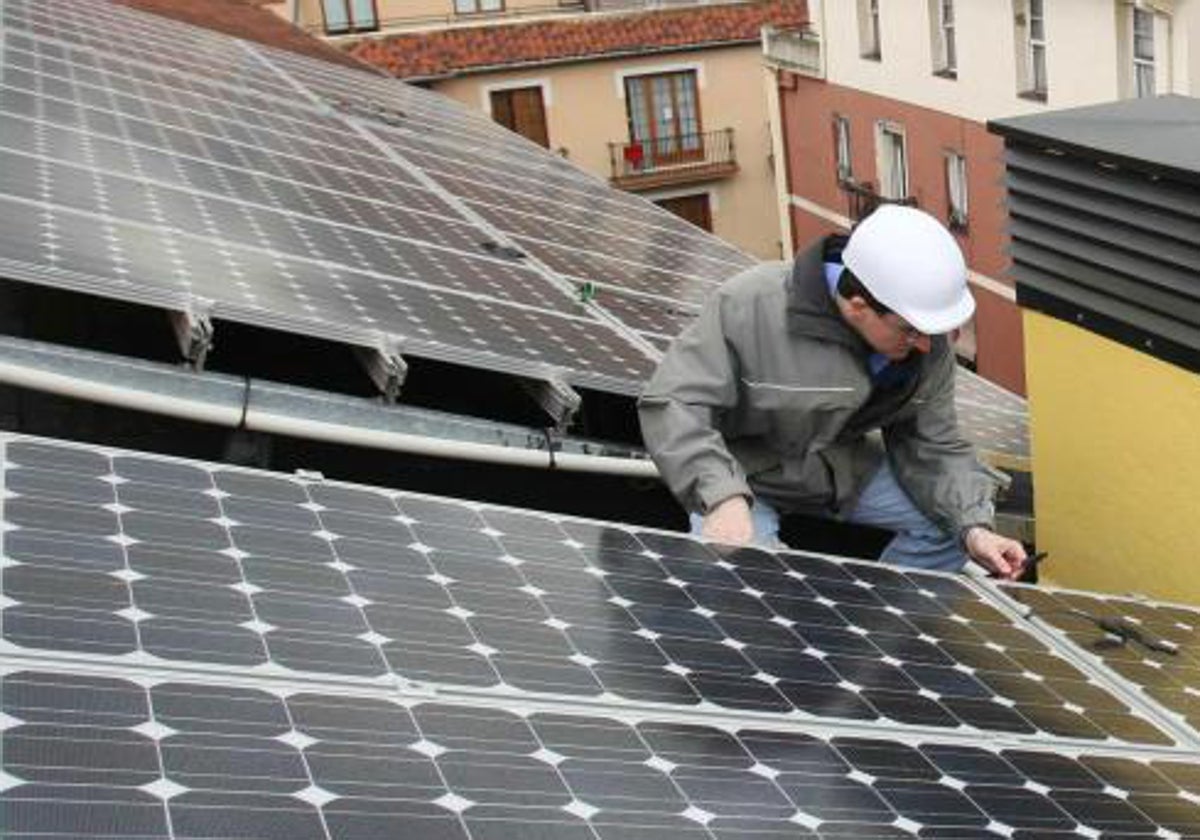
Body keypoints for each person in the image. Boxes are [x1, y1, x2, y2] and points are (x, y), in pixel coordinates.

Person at [638, 205, 1027, 579]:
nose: (926, 345)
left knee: (949, 529)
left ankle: (878, 628)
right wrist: (721, 495)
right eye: (910, 331)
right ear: (858, 306)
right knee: (745, 572)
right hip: (746, 475)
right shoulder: (753, 305)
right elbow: (675, 402)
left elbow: (933, 445)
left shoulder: (924, 339)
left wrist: (975, 527)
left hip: (844, 472)